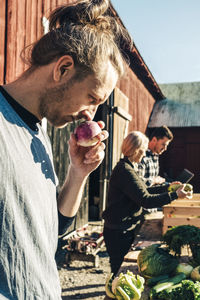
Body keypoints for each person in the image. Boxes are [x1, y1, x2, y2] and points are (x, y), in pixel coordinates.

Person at [0, 0, 132, 299]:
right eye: (92, 98)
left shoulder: (39, 134)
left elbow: (49, 234)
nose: (91, 115)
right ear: (63, 68)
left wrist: (78, 173)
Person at [102, 131, 191, 277]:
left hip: (122, 228)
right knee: (118, 270)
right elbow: (146, 200)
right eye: (143, 151)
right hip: (118, 230)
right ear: (136, 150)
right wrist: (175, 195)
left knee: (121, 270)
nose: (144, 155)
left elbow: (143, 190)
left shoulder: (129, 167)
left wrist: (167, 187)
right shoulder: (125, 171)